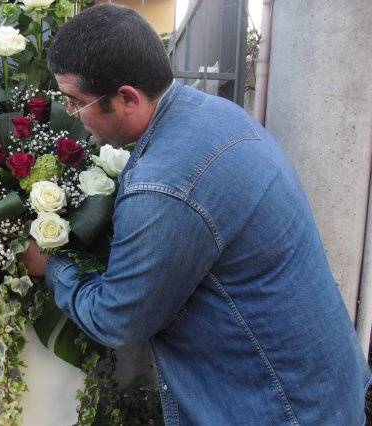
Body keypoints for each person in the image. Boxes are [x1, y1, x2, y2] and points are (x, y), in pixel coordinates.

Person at [19, 4, 370, 425]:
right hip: (321, 385)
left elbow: (119, 320)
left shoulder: (166, 184)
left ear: (127, 97)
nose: (73, 115)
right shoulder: (212, 112)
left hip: (278, 407)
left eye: (76, 103)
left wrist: (53, 266)